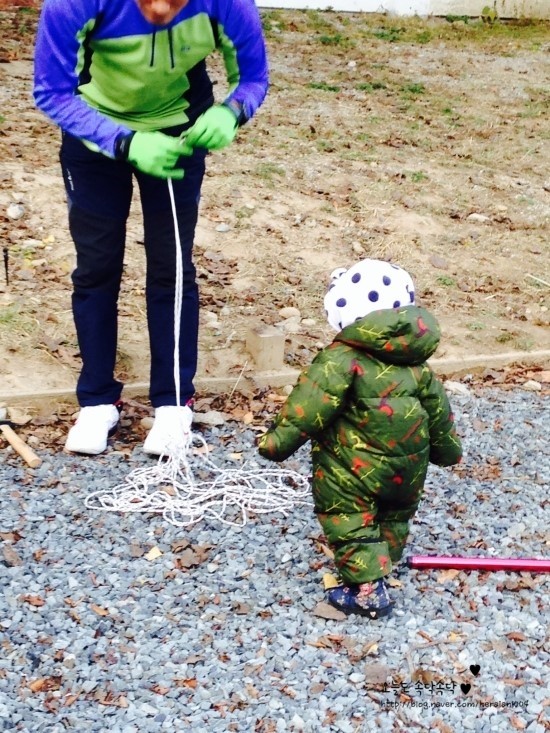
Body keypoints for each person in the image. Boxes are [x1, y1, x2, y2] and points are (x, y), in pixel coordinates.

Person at [33, 0, 269, 455]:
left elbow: (253, 78)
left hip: (179, 132)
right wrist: (124, 142)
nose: (161, 8)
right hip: (95, 134)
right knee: (97, 266)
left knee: (173, 264)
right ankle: (97, 400)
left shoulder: (228, 3)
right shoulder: (73, 3)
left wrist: (232, 112)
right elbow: (51, 91)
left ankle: (174, 403)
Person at [258, 259, 463, 618]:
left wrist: (277, 442)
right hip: (408, 468)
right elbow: (439, 413)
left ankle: (368, 590)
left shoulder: (341, 358)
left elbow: (308, 407)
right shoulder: (418, 365)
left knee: (348, 516)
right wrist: (448, 452)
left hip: (353, 468)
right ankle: (385, 562)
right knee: (394, 515)